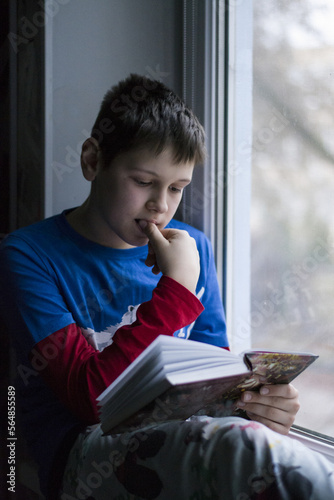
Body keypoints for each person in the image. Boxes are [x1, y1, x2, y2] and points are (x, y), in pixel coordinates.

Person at [0, 74, 333, 500]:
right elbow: (90, 399)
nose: (161, 205)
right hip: (81, 460)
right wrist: (177, 288)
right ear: (91, 160)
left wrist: (258, 406)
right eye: (143, 182)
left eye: (177, 188)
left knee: (258, 445)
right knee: (244, 451)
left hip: (180, 438)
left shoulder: (195, 249)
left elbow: (210, 376)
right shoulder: (27, 255)